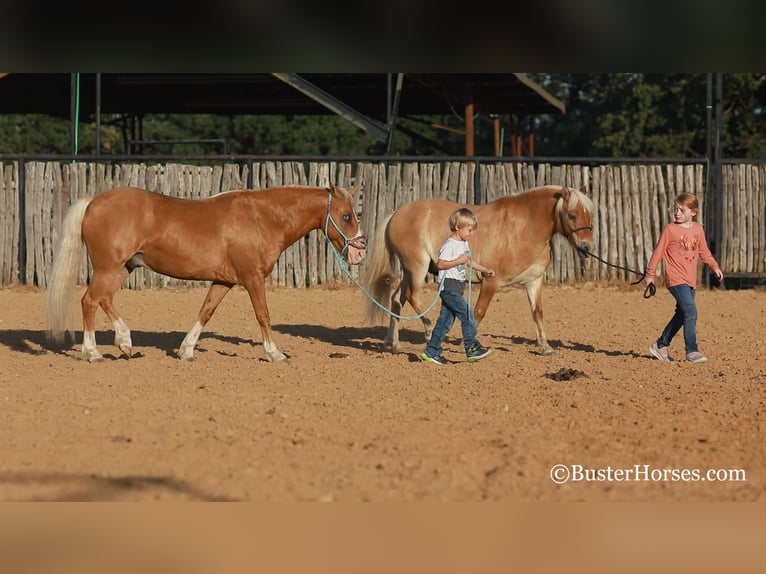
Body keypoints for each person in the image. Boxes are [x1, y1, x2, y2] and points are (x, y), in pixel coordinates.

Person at [644, 193, 724, 364]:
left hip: (690, 280)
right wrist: (650, 274)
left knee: (682, 314)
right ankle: (692, 351)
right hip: (675, 279)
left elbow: (704, 252)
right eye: (675, 209)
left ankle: (660, 345)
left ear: (693, 212)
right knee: (691, 311)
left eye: (681, 210)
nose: (677, 213)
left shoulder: (698, 229)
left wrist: (714, 266)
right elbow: (658, 252)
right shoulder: (670, 230)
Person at [420, 208, 496, 365]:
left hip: (456, 287)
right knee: (468, 316)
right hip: (448, 287)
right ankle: (471, 348)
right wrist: (458, 261)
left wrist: (484, 270)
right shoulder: (450, 245)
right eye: (469, 230)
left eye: (472, 230)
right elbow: (440, 264)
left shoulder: (463, 244)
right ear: (457, 227)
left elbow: (467, 260)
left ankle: (431, 352)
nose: (471, 233)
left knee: (444, 323)